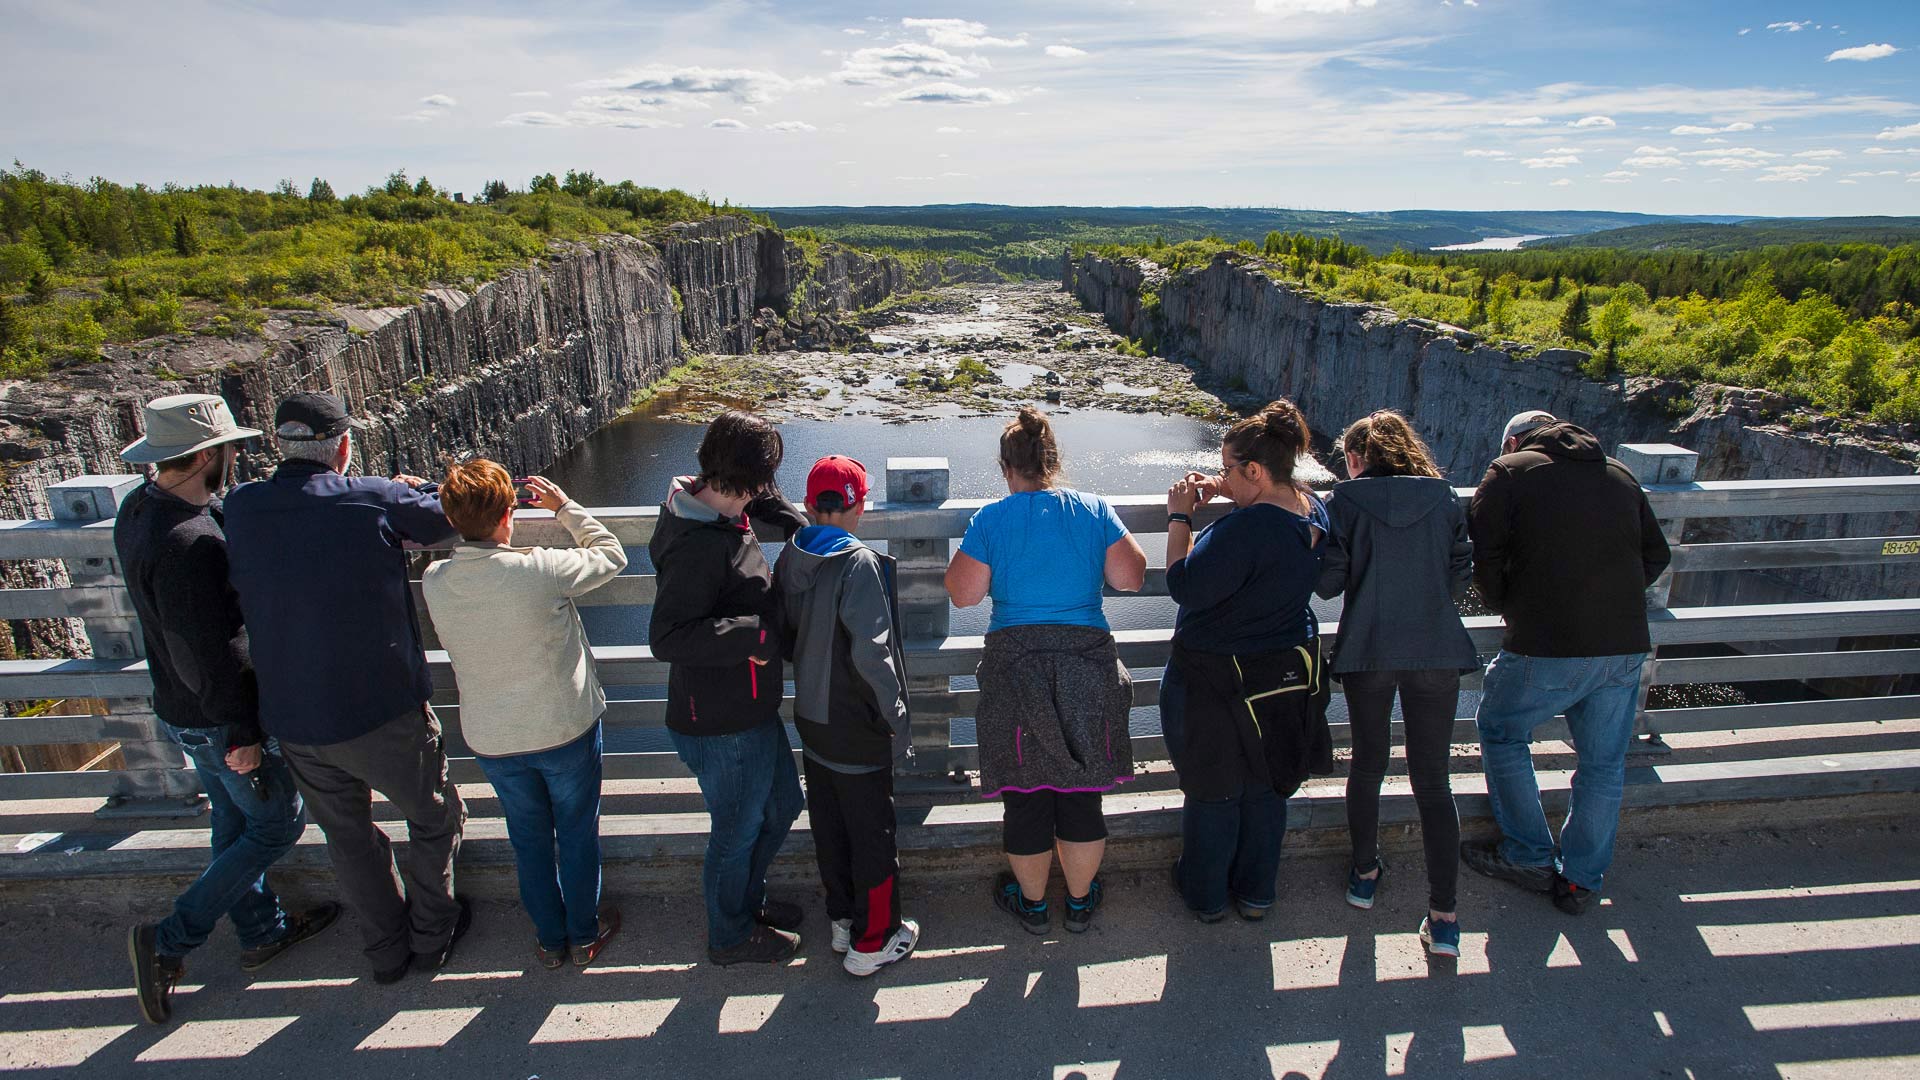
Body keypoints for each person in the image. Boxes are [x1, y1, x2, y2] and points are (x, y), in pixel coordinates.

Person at [223, 391, 469, 984]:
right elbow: (448, 517)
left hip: (295, 717)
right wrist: (408, 490)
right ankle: (432, 935)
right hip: (381, 709)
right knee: (434, 817)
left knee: (348, 837)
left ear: (279, 448)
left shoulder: (242, 506)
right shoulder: (372, 498)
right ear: (344, 448)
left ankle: (385, 951)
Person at [115, 394, 338, 1024]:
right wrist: (242, 729)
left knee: (235, 824)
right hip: (218, 716)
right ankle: (169, 941)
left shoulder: (141, 509)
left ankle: (262, 931)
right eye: (232, 449)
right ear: (208, 454)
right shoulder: (189, 544)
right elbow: (208, 650)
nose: (238, 458)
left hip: (179, 708)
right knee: (276, 825)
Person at [946, 406, 1146, 937]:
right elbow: (1130, 578)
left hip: (1016, 666)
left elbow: (963, 596)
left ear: (1006, 468)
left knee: (1026, 791)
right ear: (1052, 462)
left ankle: (1033, 905)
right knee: (1081, 791)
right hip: (1086, 661)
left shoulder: (991, 519)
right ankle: (1079, 902)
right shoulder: (1094, 508)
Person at [1461, 409, 1672, 915]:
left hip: (1547, 641)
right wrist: (1608, 599)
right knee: (1602, 764)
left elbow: (1484, 559)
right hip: (1622, 644)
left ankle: (1529, 854)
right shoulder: (1619, 473)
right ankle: (1580, 879)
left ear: (1513, 440)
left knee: (1501, 729)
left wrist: (1510, 603)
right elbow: (1656, 555)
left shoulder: (1508, 473)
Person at [422, 460, 627, 969]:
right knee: (576, 832)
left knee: (528, 838)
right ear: (508, 515)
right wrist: (564, 508)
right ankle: (583, 934)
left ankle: (550, 941)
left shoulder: (435, 579)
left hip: (493, 737)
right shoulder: (541, 569)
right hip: (562, 729)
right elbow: (611, 555)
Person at [1161, 401, 1333, 923]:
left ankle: (1207, 895)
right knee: (1266, 780)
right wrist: (1227, 491)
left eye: (1230, 469)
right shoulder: (1312, 509)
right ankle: (1257, 892)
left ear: (1255, 470)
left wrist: (1180, 516)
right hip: (1281, 672)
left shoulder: (1248, 530)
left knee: (1213, 787)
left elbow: (1184, 584)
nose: (1222, 477)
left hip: (1216, 675)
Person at [649, 410, 809, 966]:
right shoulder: (697, 545)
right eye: (761, 481)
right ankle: (730, 934)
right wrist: (755, 633)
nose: (764, 492)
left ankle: (746, 902)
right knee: (737, 831)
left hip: (747, 706)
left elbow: (757, 502)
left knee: (783, 805)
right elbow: (667, 636)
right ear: (740, 481)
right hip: (718, 720)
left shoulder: (707, 501)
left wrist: (795, 524)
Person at [1314, 410, 1475, 957]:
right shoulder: (1445, 498)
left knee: (1367, 764)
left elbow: (1329, 584)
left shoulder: (1346, 502)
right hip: (1436, 652)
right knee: (1434, 780)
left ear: (1357, 458)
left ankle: (1364, 876)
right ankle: (1445, 918)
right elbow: (1459, 572)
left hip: (1370, 650)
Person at [774, 455, 919, 976]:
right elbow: (871, 655)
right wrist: (896, 719)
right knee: (873, 833)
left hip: (812, 717)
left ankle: (842, 921)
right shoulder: (857, 564)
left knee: (830, 825)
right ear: (858, 505)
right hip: (857, 722)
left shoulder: (792, 556)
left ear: (811, 505)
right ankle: (874, 939)